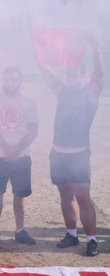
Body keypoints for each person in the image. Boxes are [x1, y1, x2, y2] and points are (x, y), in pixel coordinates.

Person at [36, 34, 104, 256]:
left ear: (82, 76)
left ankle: (92, 240)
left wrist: (95, 48)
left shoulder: (90, 94)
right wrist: (38, 45)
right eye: (70, 74)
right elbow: (45, 70)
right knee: (65, 195)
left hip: (79, 154)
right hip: (58, 153)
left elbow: (99, 73)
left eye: (76, 74)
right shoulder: (63, 90)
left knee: (83, 197)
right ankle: (71, 234)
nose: (72, 77)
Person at [0, 67, 39, 245]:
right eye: (7, 80)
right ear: (3, 80)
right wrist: (7, 148)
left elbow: (33, 130)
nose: (10, 83)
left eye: (13, 80)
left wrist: (16, 150)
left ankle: (19, 230)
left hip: (21, 157)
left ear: (19, 81)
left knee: (19, 194)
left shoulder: (29, 101)